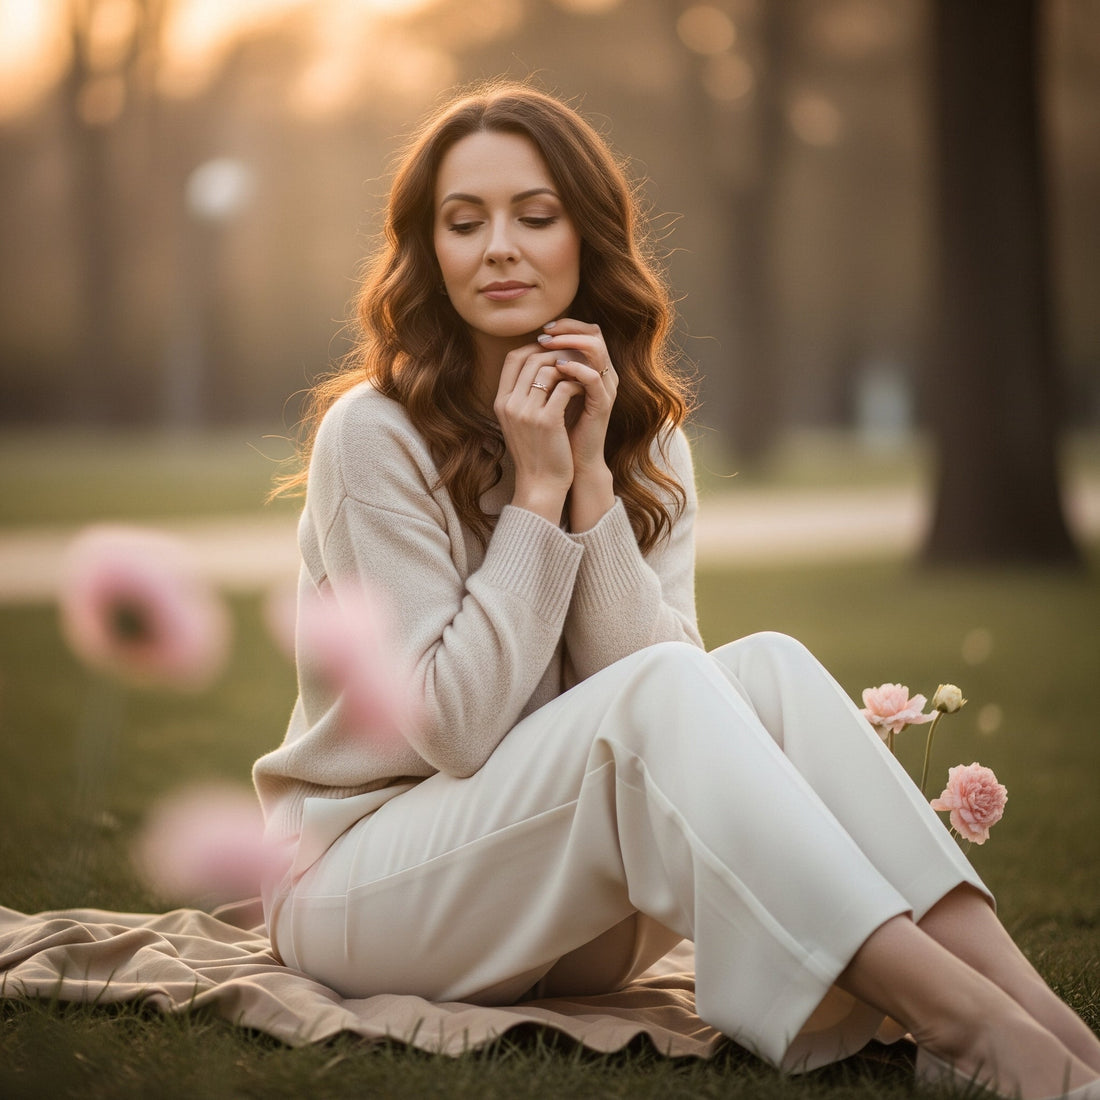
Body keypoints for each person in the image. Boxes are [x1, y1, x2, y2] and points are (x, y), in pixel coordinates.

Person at [253, 81, 1100, 1098]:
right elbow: (454, 729)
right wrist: (534, 493)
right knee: (669, 687)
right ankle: (968, 1030)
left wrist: (593, 485)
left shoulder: (643, 436)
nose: (499, 248)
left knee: (770, 671)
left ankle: (1056, 1033)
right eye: (463, 222)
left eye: (535, 214)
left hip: (570, 910)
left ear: (585, 234)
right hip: (363, 890)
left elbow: (670, 697)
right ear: (427, 252)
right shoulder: (373, 435)